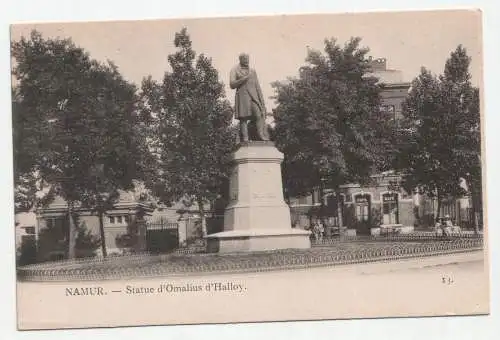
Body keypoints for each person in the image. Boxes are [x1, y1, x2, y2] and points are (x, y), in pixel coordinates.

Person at [229, 53, 269, 142]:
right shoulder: (234, 70)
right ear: (240, 60)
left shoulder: (253, 71)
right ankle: (245, 138)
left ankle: (261, 135)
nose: (247, 61)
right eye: (245, 59)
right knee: (243, 118)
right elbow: (232, 84)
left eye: (248, 59)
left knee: (258, 115)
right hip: (242, 97)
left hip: (254, 97)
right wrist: (243, 79)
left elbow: (258, 87)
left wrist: (262, 103)